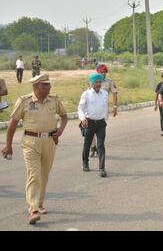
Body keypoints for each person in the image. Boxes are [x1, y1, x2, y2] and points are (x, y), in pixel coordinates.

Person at [1, 74, 68, 224]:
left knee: (44, 175)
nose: (48, 87)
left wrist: (61, 130)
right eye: (44, 85)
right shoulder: (25, 101)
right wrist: (8, 145)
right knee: (34, 174)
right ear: (36, 87)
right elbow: (12, 124)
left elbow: (64, 117)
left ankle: (40, 203)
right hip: (30, 142)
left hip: (50, 141)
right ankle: (33, 210)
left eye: (49, 84)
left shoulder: (55, 100)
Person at [78, 73, 109, 177]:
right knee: (87, 144)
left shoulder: (104, 93)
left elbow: (105, 107)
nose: (98, 84)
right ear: (91, 83)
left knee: (100, 145)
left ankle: (102, 168)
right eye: (96, 82)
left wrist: (105, 119)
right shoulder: (86, 94)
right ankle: (85, 163)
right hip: (89, 122)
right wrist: (82, 118)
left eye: (100, 82)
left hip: (101, 123)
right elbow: (80, 108)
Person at [89, 64, 119, 157]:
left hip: (103, 110)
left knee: (101, 129)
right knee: (91, 129)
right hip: (92, 108)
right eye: (102, 72)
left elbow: (114, 94)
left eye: (105, 72)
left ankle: (99, 146)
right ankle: (93, 146)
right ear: (98, 72)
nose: (103, 74)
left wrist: (115, 107)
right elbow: (88, 94)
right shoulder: (93, 81)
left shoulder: (109, 82)